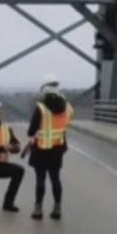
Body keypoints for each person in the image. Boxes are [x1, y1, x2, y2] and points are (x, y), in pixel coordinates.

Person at [22, 74, 73, 220]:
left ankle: (38, 209)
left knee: (40, 179)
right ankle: (57, 209)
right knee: (55, 178)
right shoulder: (67, 107)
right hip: (57, 148)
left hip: (41, 149)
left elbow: (31, 131)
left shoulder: (41, 108)